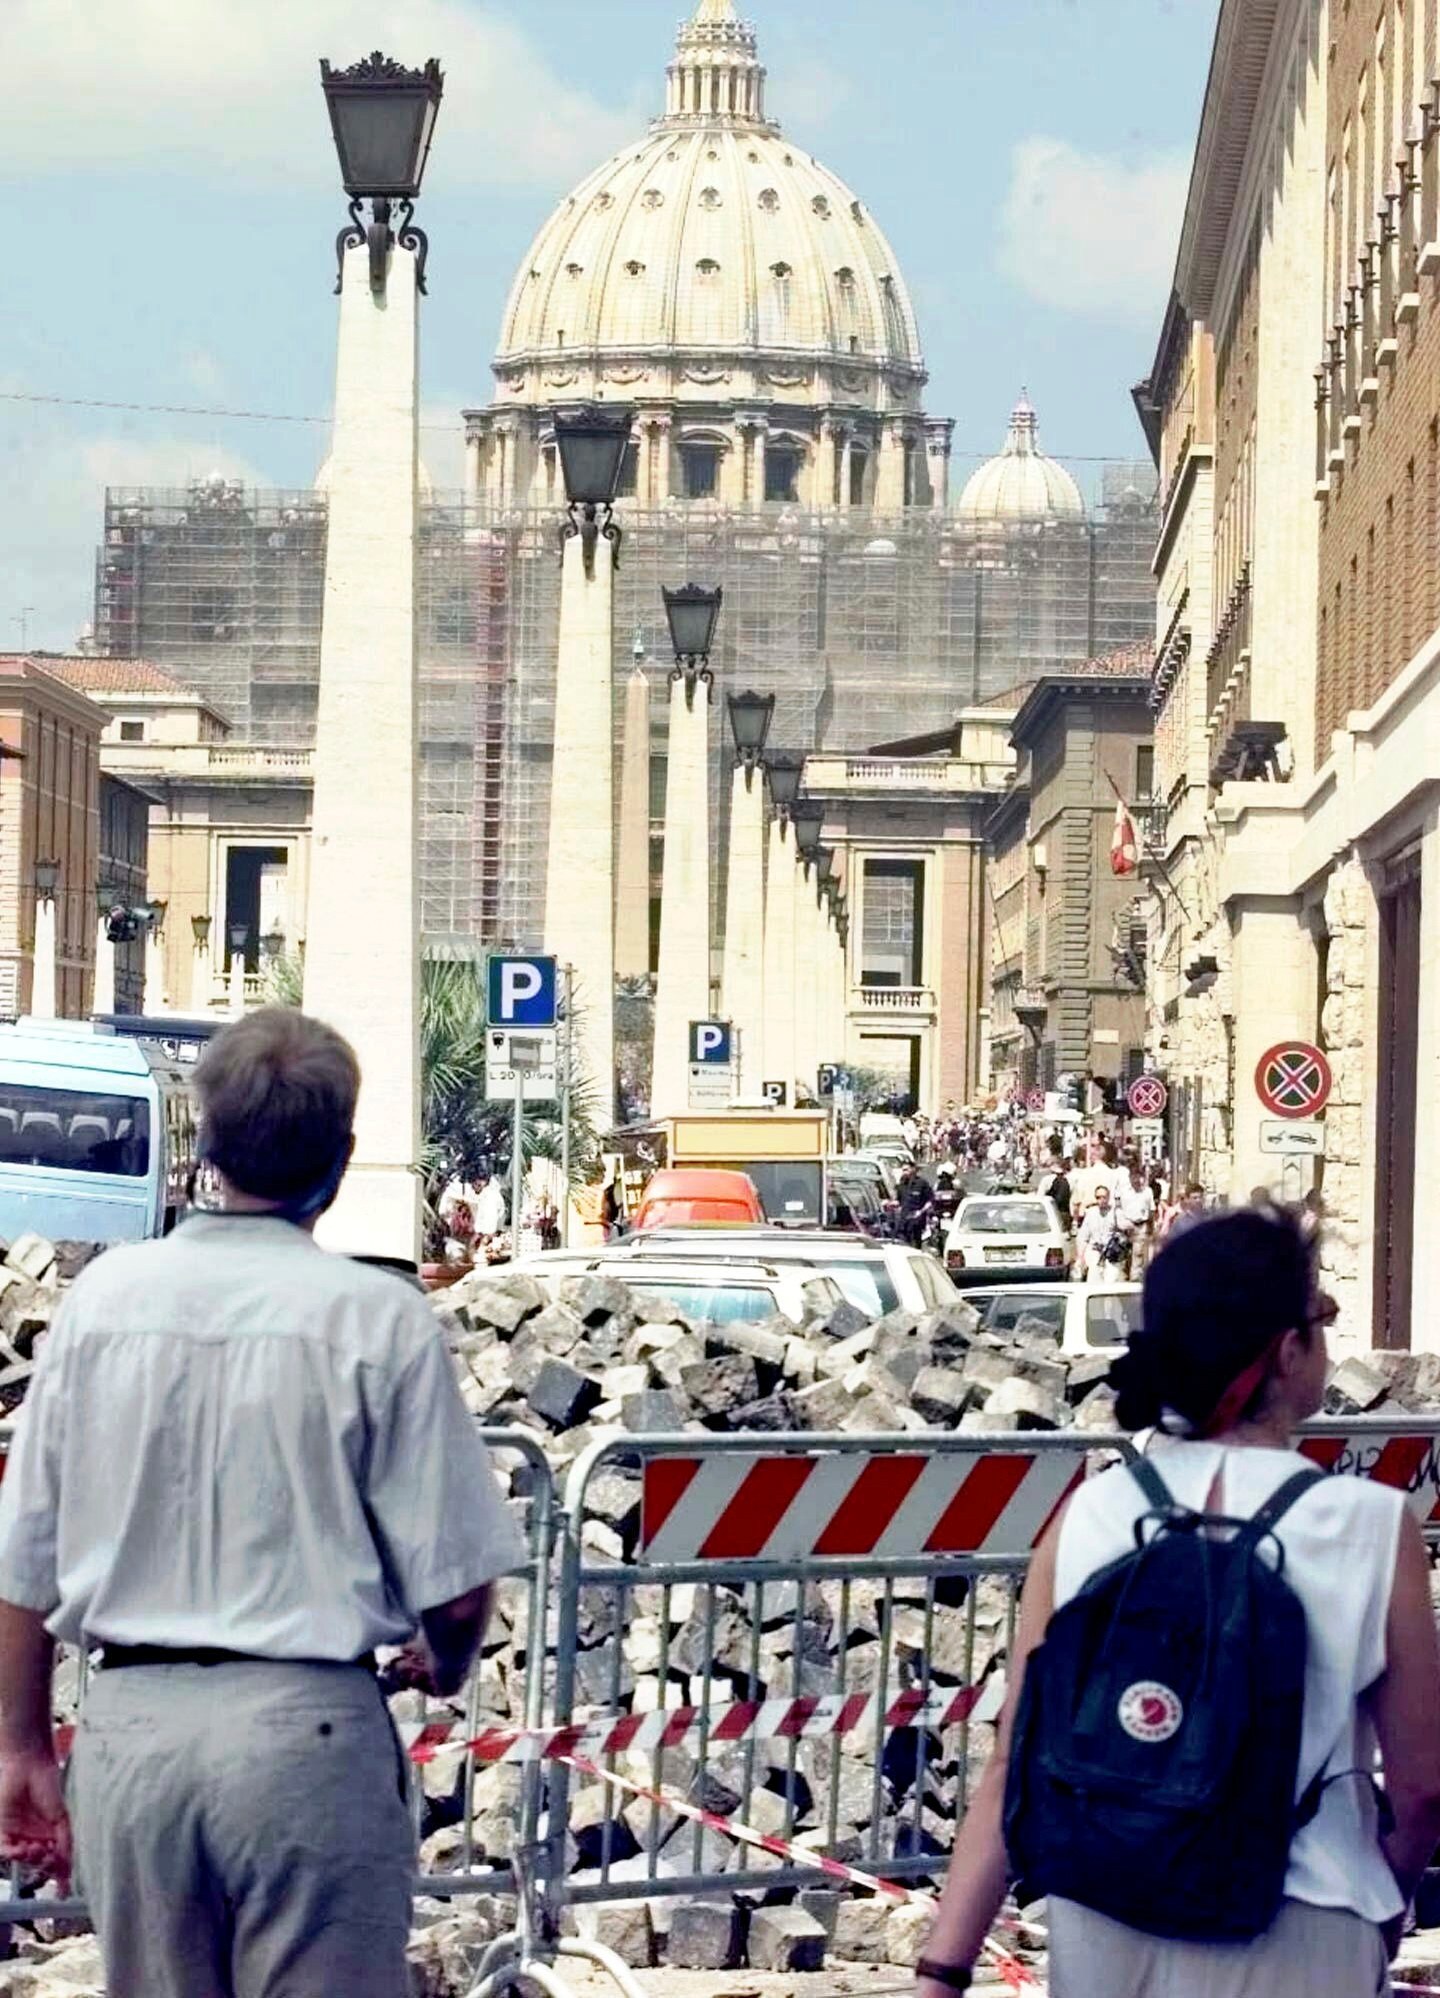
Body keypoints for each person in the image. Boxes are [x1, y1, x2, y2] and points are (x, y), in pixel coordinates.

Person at [0, 1008, 526, 1998]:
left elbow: (22, 1559)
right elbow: (459, 1590)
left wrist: (21, 1745)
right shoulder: (378, 1320)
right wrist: (445, 1662)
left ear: (205, 1142)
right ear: (342, 1155)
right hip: (306, 1736)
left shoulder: (101, 1305)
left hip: (134, 1735)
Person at [914, 1207, 1440, 1997]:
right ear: (1288, 1350)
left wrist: (942, 1970)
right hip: (1303, 1924)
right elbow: (1423, 1786)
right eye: (1320, 1317)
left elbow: (1010, 1764)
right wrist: (1383, 1900)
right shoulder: (1373, 1526)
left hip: (1106, 1920)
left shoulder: (1090, 1514)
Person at [1113, 1160, 1157, 1276]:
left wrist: (1151, 1228)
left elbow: (1151, 1210)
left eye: (1139, 1176)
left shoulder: (1147, 1192)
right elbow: (1118, 1208)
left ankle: (1135, 1277)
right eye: (1133, 1176)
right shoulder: (1123, 1192)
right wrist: (1121, 1224)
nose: (1136, 1179)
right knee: (1123, 1254)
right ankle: (1122, 1276)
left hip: (1140, 1226)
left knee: (1138, 1255)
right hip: (1126, 1226)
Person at [1075, 1181, 1122, 1285]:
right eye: (1098, 1197)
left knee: (1111, 1281)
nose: (1101, 1200)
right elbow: (1083, 1237)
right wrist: (1080, 1257)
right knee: (1094, 1281)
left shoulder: (1116, 1213)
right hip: (1095, 1252)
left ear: (1108, 1197)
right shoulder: (1091, 1213)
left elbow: (1124, 1232)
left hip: (1111, 1253)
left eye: (1104, 1197)